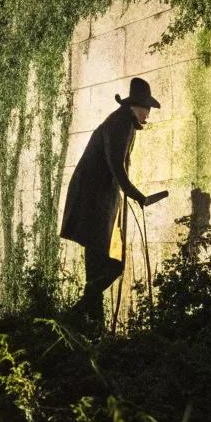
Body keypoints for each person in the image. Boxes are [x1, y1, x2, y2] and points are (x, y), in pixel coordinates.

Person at [60, 77, 167, 327]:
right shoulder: (121, 124)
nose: (148, 114)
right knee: (113, 266)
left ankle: (91, 327)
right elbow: (116, 167)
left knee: (96, 268)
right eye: (146, 108)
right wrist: (138, 196)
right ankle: (74, 315)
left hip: (95, 199)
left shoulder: (122, 122)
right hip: (93, 202)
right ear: (135, 106)